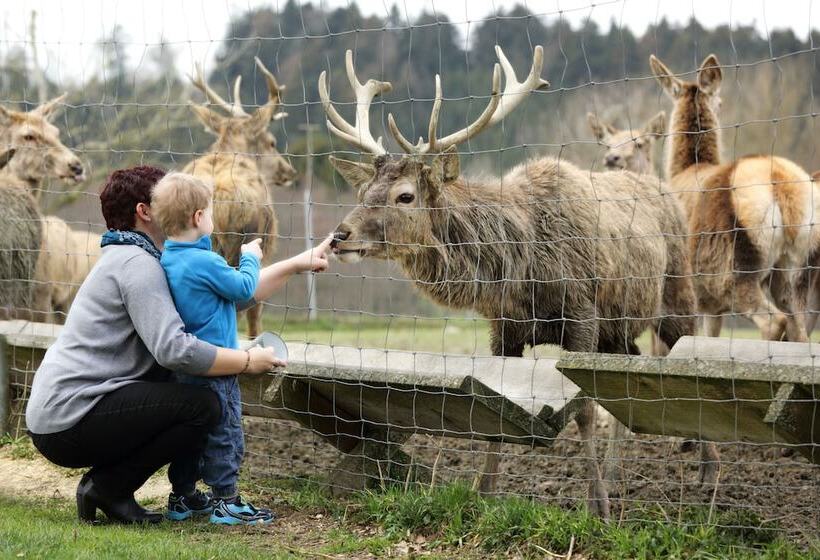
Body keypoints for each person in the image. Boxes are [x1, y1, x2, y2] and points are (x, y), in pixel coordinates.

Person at [23, 165, 322, 525]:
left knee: (187, 398)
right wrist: (245, 361)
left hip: (71, 413)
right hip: (70, 418)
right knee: (203, 406)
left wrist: (296, 264)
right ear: (145, 212)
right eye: (161, 199)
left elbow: (227, 299)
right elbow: (175, 350)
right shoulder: (138, 265)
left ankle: (111, 486)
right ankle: (109, 486)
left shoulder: (149, 258)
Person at [151, 172, 331, 525]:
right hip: (218, 367)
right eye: (211, 210)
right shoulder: (205, 261)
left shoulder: (169, 259)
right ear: (198, 218)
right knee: (226, 430)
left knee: (191, 434)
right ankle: (227, 501)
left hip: (186, 370)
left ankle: (183, 496)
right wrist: (250, 255)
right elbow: (244, 287)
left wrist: (294, 263)